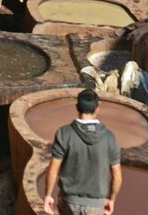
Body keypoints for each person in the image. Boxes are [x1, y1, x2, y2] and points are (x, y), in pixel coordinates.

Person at [37, 87, 123, 215]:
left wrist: (48, 195)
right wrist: (111, 199)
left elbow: (53, 169)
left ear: (77, 107)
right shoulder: (110, 137)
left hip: (68, 202)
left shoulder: (64, 133)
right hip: (96, 205)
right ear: (97, 109)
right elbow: (117, 177)